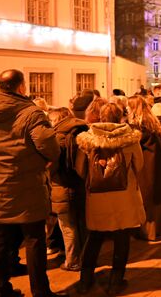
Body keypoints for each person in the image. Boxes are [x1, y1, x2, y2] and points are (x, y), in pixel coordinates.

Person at [0, 69, 67, 297]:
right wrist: (45, 161)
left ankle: (0, 288)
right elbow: (50, 147)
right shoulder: (31, 113)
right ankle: (40, 292)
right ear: (21, 87)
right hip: (27, 189)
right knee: (35, 240)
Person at [75, 103, 144, 295]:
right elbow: (139, 165)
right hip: (124, 195)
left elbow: (81, 169)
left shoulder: (87, 139)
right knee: (122, 237)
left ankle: (85, 280)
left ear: (99, 116)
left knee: (95, 237)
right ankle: (116, 280)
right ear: (121, 117)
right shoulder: (130, 139)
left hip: (97, 196)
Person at [47, 107, 89, 272]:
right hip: (80, 185)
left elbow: (52, 167)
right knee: (81, 224)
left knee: (67, 227)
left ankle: (72, 261)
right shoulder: (83, 132)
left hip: (62, 187)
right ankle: (86, 258)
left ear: (57, 119)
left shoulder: (58, 138)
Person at [127, 96, 161, 240]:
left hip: (145, 166)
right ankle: (157, 230)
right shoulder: (152, 122)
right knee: (155, 198)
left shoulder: (138, 127)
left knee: (145, 199)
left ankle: (148, 232)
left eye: (128, 106)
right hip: (155, 164)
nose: (126, 109)